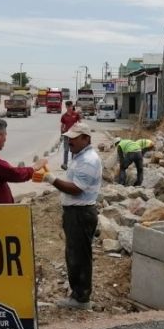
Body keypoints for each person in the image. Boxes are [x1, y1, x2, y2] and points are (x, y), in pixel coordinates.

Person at [34, 122, 101, 310]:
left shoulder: (88, 160)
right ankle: (78, 294)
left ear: (86, 138)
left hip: (81, 213)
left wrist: (51, 179)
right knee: (75, 253)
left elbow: (76, 189)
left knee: (79, 256)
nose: (69, 141)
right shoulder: (79, 156)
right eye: (68, 137)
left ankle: (81, 298)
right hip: (75, 213)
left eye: (74, 138)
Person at [60, 100, 82, 170]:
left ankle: (73, 164)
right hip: (66, 135)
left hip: (74, 135)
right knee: (66, 150)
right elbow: (62, 125)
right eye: (68, 106)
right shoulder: (64, 116)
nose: (70, 108)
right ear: (66, 107)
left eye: (71, 106)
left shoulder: (76, 114)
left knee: (73, 150)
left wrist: (80, 131)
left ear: (72, 106)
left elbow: (80, 123)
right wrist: (61, 134)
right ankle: (65, 164)